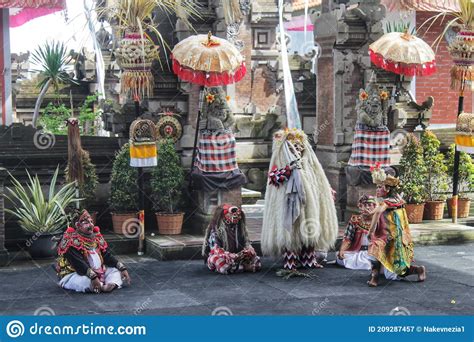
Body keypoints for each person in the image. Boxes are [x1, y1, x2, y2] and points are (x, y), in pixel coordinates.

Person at [261, 128, 339, 271]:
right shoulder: (280, 160)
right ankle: (290, 261)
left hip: (309, 204)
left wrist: (326, 190)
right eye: (294, 146)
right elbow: (273, 177)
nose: (299, 148)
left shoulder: (309, 162)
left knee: (309, 229)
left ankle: (308, 259)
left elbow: (319, 178)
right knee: (290, 232)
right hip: (288, 202)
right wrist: (288, 170)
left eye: (300, 145)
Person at [367, 164, 426, 287]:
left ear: (388, 189)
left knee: (375, 249)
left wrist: (371, 231)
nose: (377, 190)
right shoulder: (397, 198)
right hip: (393, 234)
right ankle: (418, 269)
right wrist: (370, 213)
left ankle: (375, 277)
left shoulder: (387, 201)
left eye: (379, 187)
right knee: (390, 265)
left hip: (389, 234)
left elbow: (378, 211)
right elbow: (377, 209)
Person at [56, 210, 131, 293]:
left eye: (91, 222)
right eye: (86, 223)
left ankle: (111, 283)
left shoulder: (95, 236)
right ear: (78, 225)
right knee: (83, 280)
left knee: (116, 271)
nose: (91, 225)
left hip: (98, 272)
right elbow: (79, 264)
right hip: (77, 273)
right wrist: (93, 277)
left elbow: (105, 255)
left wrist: (121, 267)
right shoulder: (70, 240)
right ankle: (101, 286)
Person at [202, 204, 261, 274]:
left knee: (256, 259)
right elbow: (215, 249)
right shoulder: (216, 230)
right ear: (224, 216)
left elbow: (246, 243)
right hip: (224, 257)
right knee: (216, 260)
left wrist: (248, 250)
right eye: (232, 214)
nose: (236, 216)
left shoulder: (240, 228)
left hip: (238, 257)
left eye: (238, 214)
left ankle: (236, 267)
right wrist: (229, 255)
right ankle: (244, 267)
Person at [336, 195, 377, 270]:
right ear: (360, 207)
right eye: (364, 205)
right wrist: (342, 250)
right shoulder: (355, 220)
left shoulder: (379, 221)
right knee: (341, 259)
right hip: (356, 252)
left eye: (369, 205)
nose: (367, 208)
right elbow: (348, 238)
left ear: (375, 207)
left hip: (373, 252)